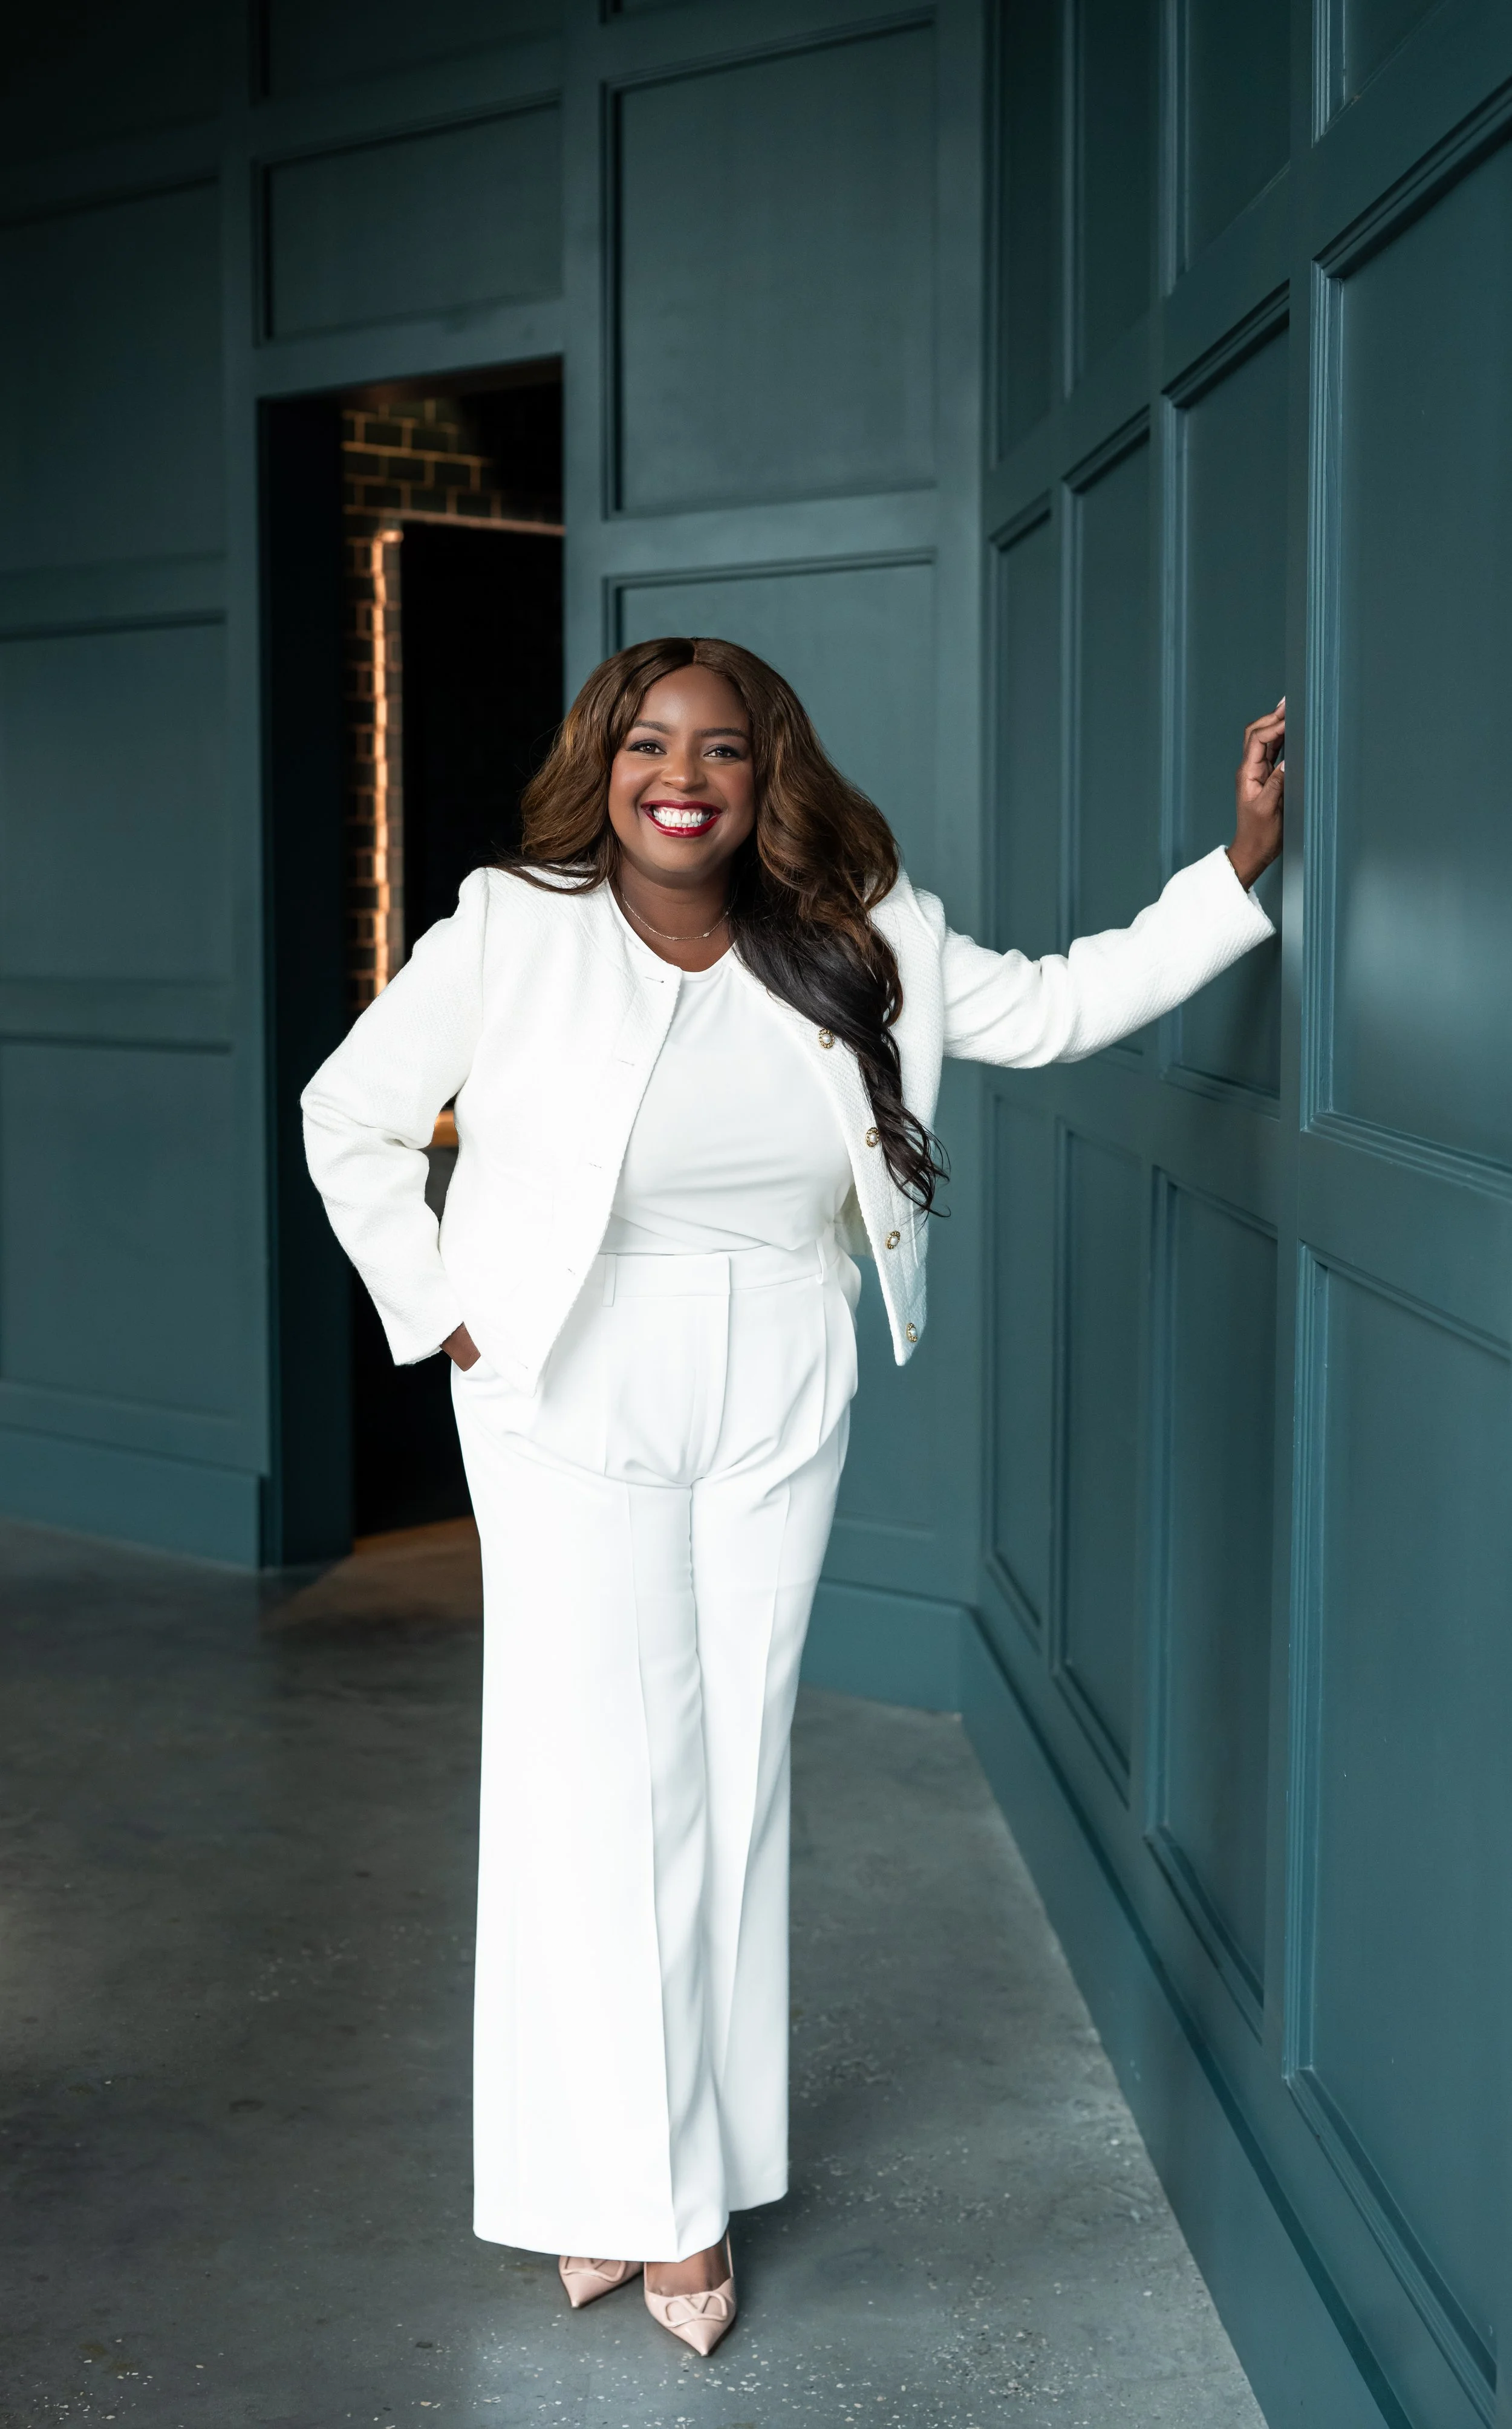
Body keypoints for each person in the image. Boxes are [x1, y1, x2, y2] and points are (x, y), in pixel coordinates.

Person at [302, 636, 1283, 2355]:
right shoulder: (507, 923)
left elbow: (1049, 1007)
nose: (681, 774)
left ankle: (680, 2160)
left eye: (722, 749)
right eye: (647, 742)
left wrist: (1233, 874)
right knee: (600, 1784)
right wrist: (440, 1308)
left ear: (768, 777)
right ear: (602, 762)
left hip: (776, 1374)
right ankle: (653, 2210)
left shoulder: (862, 928)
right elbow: (349, 1116)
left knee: (731, 1773)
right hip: (561, 1382)